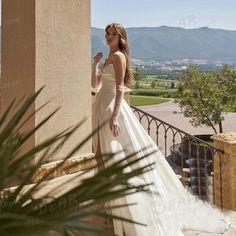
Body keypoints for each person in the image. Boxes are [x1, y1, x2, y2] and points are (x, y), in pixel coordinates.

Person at [91, 23, 231, 236]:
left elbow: (120, 88)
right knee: (101, 155)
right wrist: (94, 64)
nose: (109, 37)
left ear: (121, 38)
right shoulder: (107, 58)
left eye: (113, 34)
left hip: (112, 109)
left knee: (115, 156)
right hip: (100, 106)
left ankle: (122, 207)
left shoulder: (119, 57)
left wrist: (116, 115)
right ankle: (103, 202)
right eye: (107, 34)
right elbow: (95, 85)